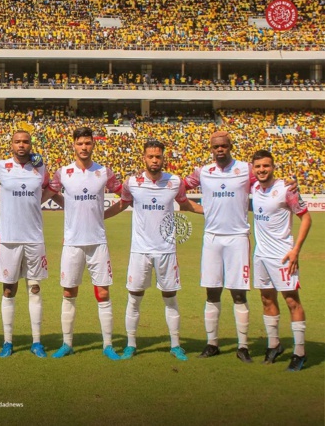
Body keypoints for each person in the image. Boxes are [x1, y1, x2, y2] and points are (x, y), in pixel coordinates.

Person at [104, 140, 202, 361]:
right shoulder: (132, 183)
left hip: (166, 250)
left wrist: (210, 211)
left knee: (170, 297)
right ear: (144, 158)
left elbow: (186, 205)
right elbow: (122, 204)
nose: (154, 160)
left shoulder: (174, 182)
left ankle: (176, 345)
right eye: (151, 156)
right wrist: (98, 217)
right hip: (140, 251)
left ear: (163, 158)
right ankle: (130, 344)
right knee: (135, 297)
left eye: (158, 156)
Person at [184, 131, 267, 362]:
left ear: (230, 146)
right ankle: (212, 344)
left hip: (238, 237)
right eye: (216, 146)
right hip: (212, 238)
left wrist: (288, 184)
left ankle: (243, 346)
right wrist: (198, 209)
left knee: (238, 293)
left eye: (224, 146)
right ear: (211, 149)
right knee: (212, 291)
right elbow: (178, 188)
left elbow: (266, 182)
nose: (220, 149)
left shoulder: (246, 169)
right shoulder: (203, 172)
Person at [47, 127, 122, 360]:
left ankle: (108, 345)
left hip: (98, 242)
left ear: (93, 145)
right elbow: (50, 193)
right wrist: (67, 205)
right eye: (80, 143)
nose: (84, 147)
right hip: (72, 242)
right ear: (73, 145)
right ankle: (67, 343)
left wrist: (104, 215)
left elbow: (125, 197)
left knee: (103, 292)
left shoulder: (104, 172)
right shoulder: (63, 173)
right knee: (69, 291)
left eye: (88, 143)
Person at [0, 130, 53, 358]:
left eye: (25, 142)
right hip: (8, 238)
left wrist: (38, 201)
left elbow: (51, 187)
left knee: (35, 288)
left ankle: (36, 342)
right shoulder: (0, 167)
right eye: (17, 141)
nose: (21, 145)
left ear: (31, 144)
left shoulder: (40, 168)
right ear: (11, 144)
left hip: (34, 238)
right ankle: (8, 341)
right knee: (8, 289)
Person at [251, 150, 311, 371]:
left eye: (266, 166)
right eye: (258, 166)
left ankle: (300, 352)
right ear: (253, 169)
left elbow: (306, 218)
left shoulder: (286, 190)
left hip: (283, 256)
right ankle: (274, 345)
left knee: (292, 301)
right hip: (261, 255)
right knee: (266, 299)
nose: (262, 170)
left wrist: (296, 250)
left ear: (273, 167)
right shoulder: (254, 187)